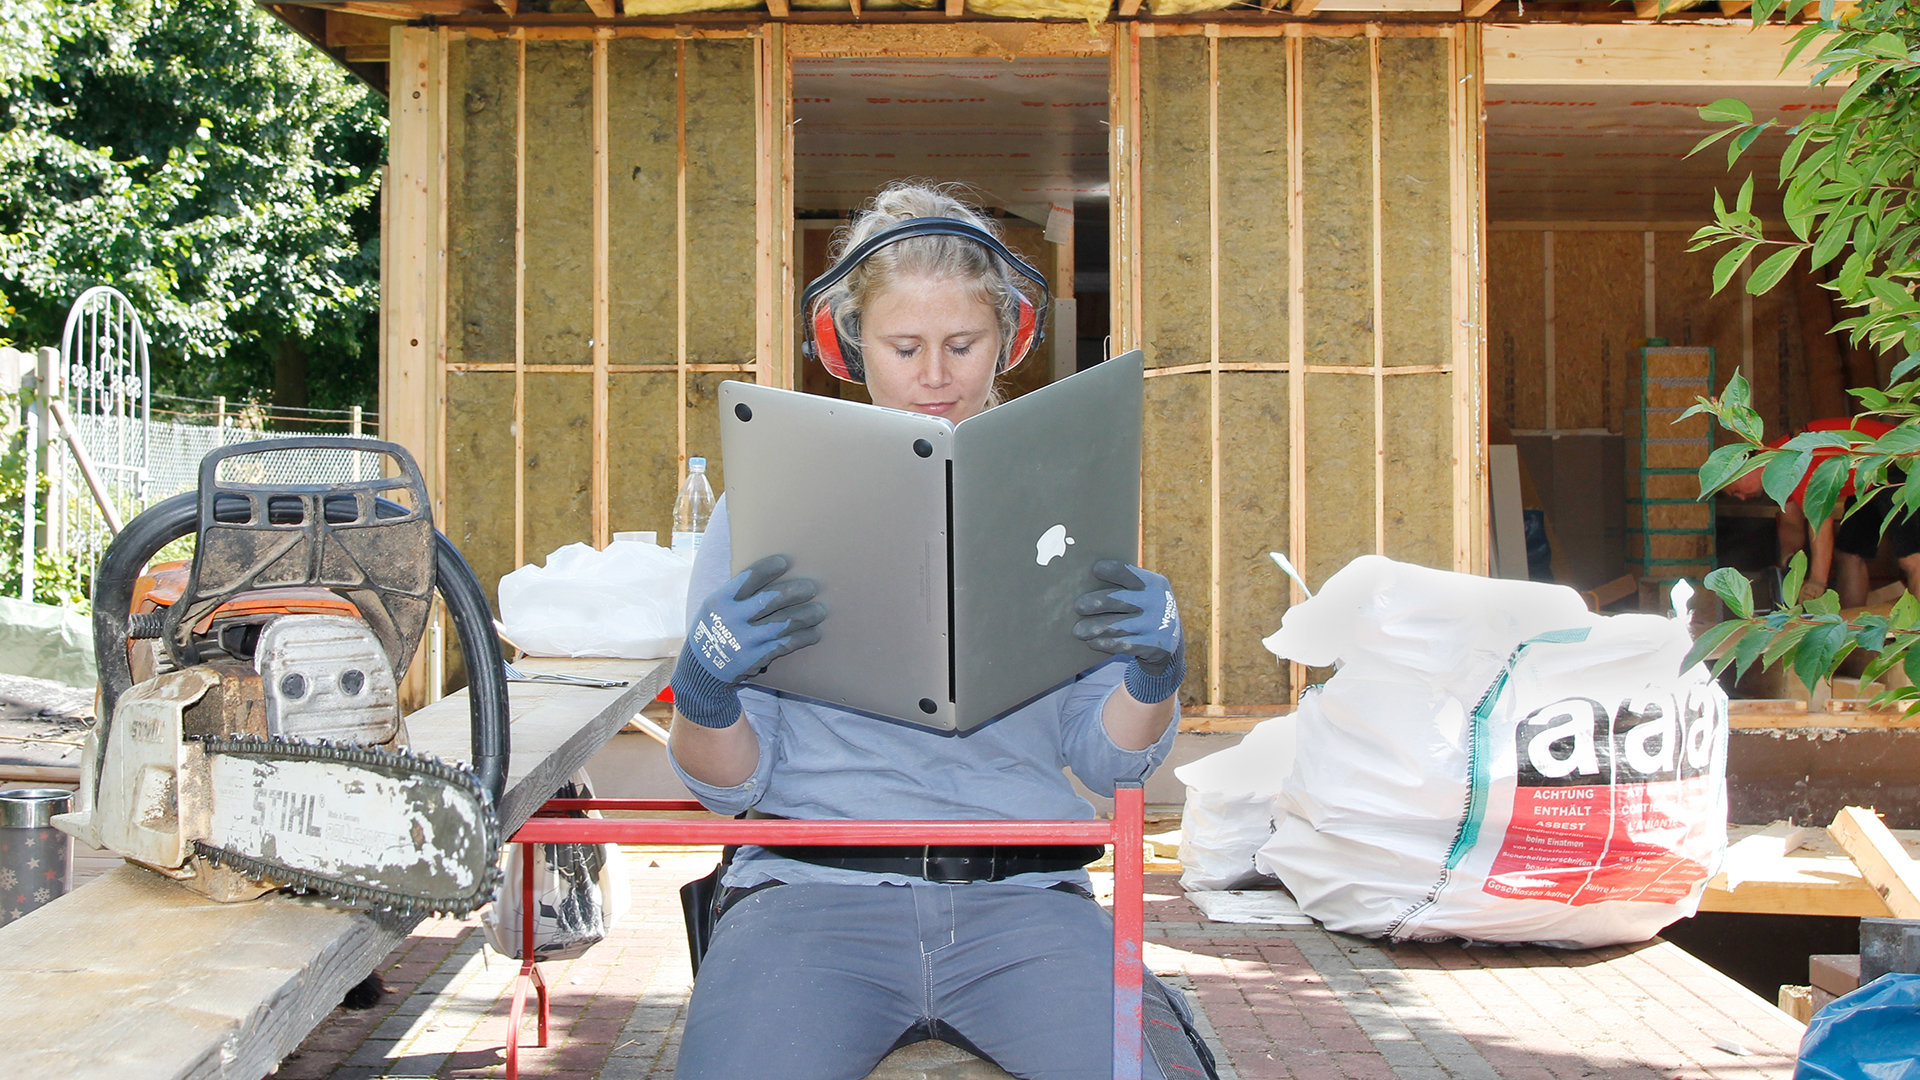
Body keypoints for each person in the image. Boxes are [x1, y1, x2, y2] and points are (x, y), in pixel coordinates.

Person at [665, 181, 1216, 1080]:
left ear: (1015, 338)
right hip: (811, 896)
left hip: (1031, 903)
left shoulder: (1061, 495)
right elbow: (726, 788)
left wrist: (1152, 680)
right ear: (846, 349)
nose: (935, 375)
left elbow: (1107, 764)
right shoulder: (770, 504)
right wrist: (705, 687)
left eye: (963, 345)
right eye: (905, 346)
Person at [1722, 416, 1920, 606]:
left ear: (1744, 469)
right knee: (1849, 555)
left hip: (1904, 462)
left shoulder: (1791, 458)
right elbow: (1791, 525)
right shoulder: (1778, 474)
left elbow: (1820, 521)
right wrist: (1790, 560)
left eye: (1736, 491)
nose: (1741, 497)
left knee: (1913, 558)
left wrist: (1817, 582)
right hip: (1870, 479)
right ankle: (1847, 632)